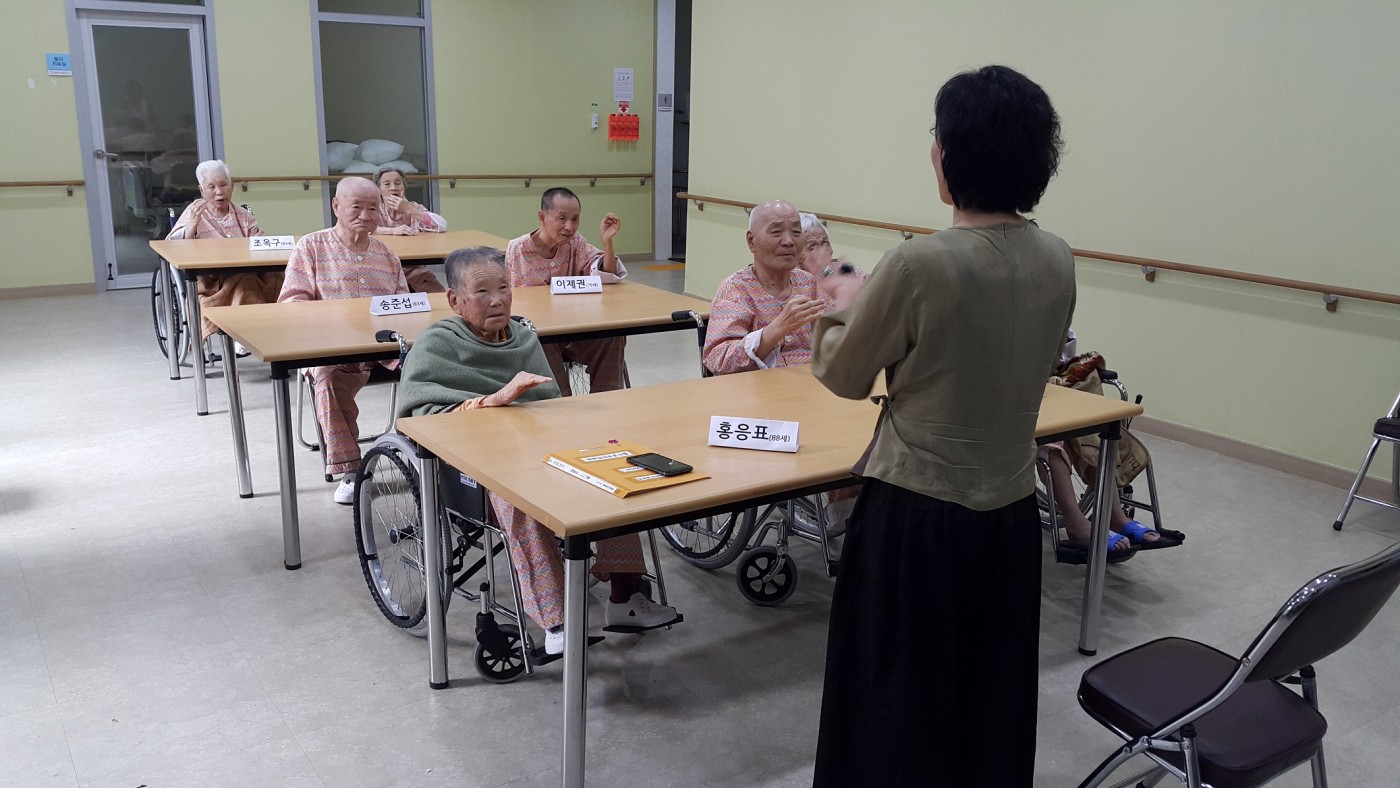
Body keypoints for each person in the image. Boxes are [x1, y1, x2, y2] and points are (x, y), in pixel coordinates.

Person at [810, 65, 1075, 786]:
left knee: (898, 698)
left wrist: (840, 300)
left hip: (917, 512)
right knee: (989, 693)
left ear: (949, 154)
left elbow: (843, 374)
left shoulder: (917, 262)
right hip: (1011, 507)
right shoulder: (1057, 257)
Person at [396, 246, 680, 655]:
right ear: (455, 300)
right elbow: (422, 417)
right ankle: (556, 622)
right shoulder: (436, 345)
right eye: (482, 291)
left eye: (504, 288)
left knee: (612, 472)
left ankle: (626, 595)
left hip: (538, 449)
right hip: (472, 467)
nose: (497, 300)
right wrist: (492, 401)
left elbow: (550, 406)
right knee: (519, 494)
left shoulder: (523, 338)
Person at [703, 200, 856, 531]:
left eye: (795, 232)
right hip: (761, 405)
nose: (789, 241)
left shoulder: (808, 283)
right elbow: (717, 357)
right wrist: (774, 331)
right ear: (751, 241)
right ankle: (845, 519)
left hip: (815, 394)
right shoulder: (736, 288)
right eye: (777, 232)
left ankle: (856, 517)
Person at [278, 177, 409, 504]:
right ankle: (352, 470)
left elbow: (404, 305)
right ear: (336, 206)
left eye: (373, 209)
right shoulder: (311, 247)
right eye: (356, 207)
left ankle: (426, 456)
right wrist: (333, 321)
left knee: (432, 367)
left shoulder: (386, 254)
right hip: (333, 349)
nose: (365, 215)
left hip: (382, 349)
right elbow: (292, 302)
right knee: (327, 379)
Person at [505, 187, 627, 396]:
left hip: (574, 329)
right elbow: (520, 306)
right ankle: (562, 402)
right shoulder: (518, 249)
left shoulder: (576, 243)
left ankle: (608, 399)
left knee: (612, 335)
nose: (569, 227)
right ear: (542, 217)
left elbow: (606, 276)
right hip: (540, 335)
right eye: (561, 218)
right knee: (543, 340)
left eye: (575, 219)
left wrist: (607, 242)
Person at [168, 160, 281, 349]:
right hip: (210, 281)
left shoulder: (243, 215)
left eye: (223, 185)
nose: (219, 192)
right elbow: (174, 247)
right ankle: (244, 334)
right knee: (245, 284)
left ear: (232, 186)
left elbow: (259, 242)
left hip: (244, 272)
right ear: (202, 190)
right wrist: (191, 227)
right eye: (211, 187)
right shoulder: (194, 212)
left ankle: (280, 330)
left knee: (281, 277)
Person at [372, 164, 446, 294]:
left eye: (398, 183)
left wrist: (409, 209)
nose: (393, 188)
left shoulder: (413, 208)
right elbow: (361, 230)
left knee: (438, 293)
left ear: (404, 187)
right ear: (379, 189)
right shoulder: (373, 209)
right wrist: (392, 231)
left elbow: (442, 225)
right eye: (387, 184)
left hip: (414, 269)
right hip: (381, 268)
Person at [796, 212, 868, 301]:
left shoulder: (849, 271)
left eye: (826, 244)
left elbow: (875, 291)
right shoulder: (794, 285)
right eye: (812, 247)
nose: (823, 251)